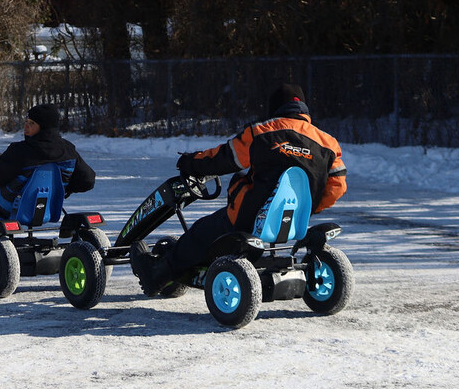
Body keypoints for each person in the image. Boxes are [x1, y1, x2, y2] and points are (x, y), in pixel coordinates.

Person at [130, 83, 347, 296]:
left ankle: (156, 274)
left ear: (275, 107)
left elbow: (223, 158)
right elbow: (337, 187)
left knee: (201, 233)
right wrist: (307, 207)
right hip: (294, 222)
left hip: (248, 216)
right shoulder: (328, 143)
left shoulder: (263, 131)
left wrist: (191, 162)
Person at [0, 103, 96, 269]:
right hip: (49, 209)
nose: (26, 127)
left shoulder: (21, 151)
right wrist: (62, 189)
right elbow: (88, 179)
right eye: (26, 121)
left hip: (10, 206)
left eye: (32, 123)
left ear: (44, 127)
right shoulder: (68, 150)